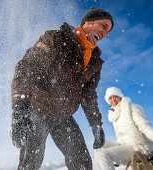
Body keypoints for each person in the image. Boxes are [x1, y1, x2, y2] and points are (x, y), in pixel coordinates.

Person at [10, 7, 114, 170]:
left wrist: (96, 124)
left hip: (63, 116)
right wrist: (19, 106)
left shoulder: (94, 61)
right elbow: (27, 67)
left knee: (82, 163)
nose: (104, 34)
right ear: (88, 22)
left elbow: (88, 94)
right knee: (31, 161)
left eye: (107, 31)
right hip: (39, 108)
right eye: (103, 26)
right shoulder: (57, 38)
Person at [94, 87, 153, 170]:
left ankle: (111, 159)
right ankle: (113, 160)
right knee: (99, 145)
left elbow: (145, 126)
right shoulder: (114, 114)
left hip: (140, 147)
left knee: (103, 155)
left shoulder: (131, 107)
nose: (113, 100)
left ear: (120, 96)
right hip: (125, 146)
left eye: (115, 97)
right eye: (110, 98)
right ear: (108, 101)